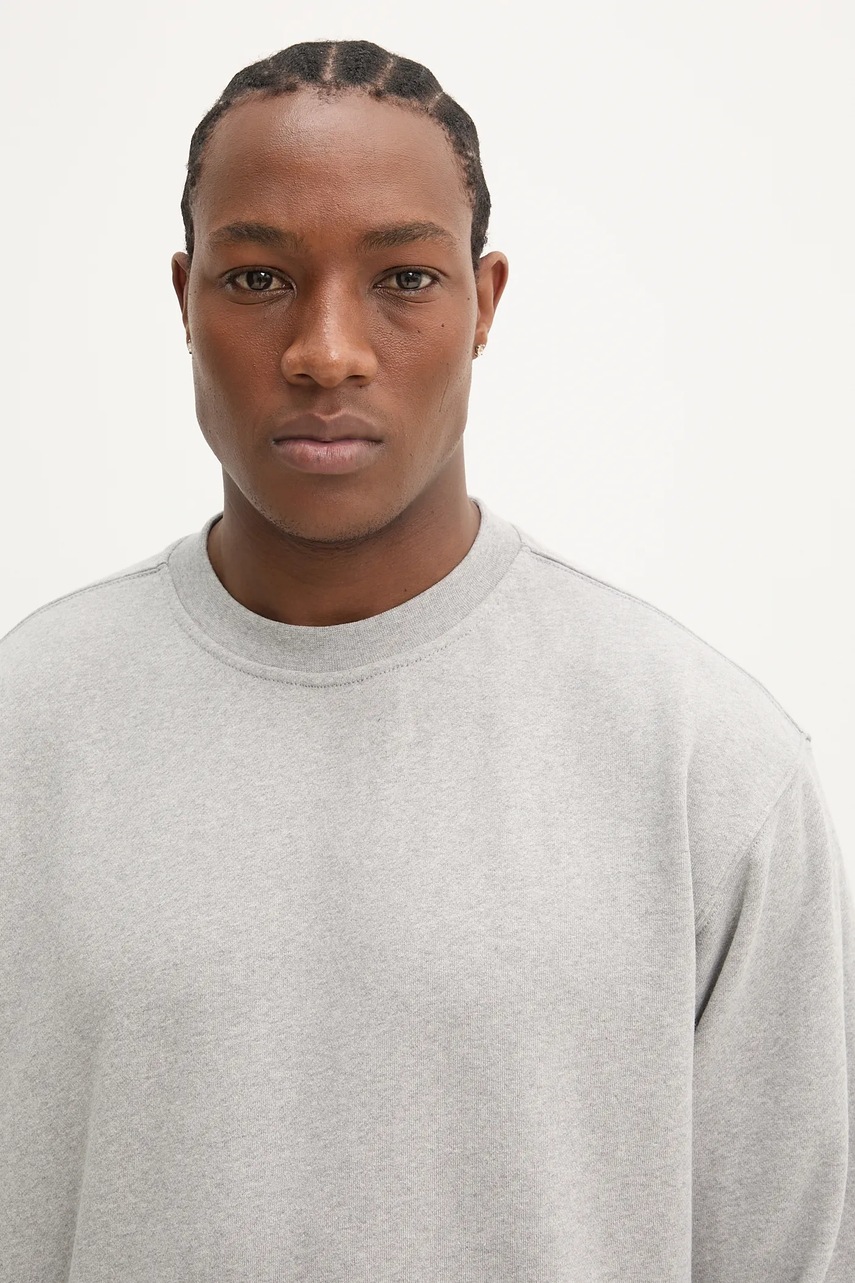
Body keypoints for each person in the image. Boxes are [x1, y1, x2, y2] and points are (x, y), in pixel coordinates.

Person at [0, 37, 851, 1283]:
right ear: (183, 296)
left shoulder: (706, 765)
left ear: (485, 302)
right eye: (257, 278)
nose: (326, 350)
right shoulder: (28, 730)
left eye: (403, 277)